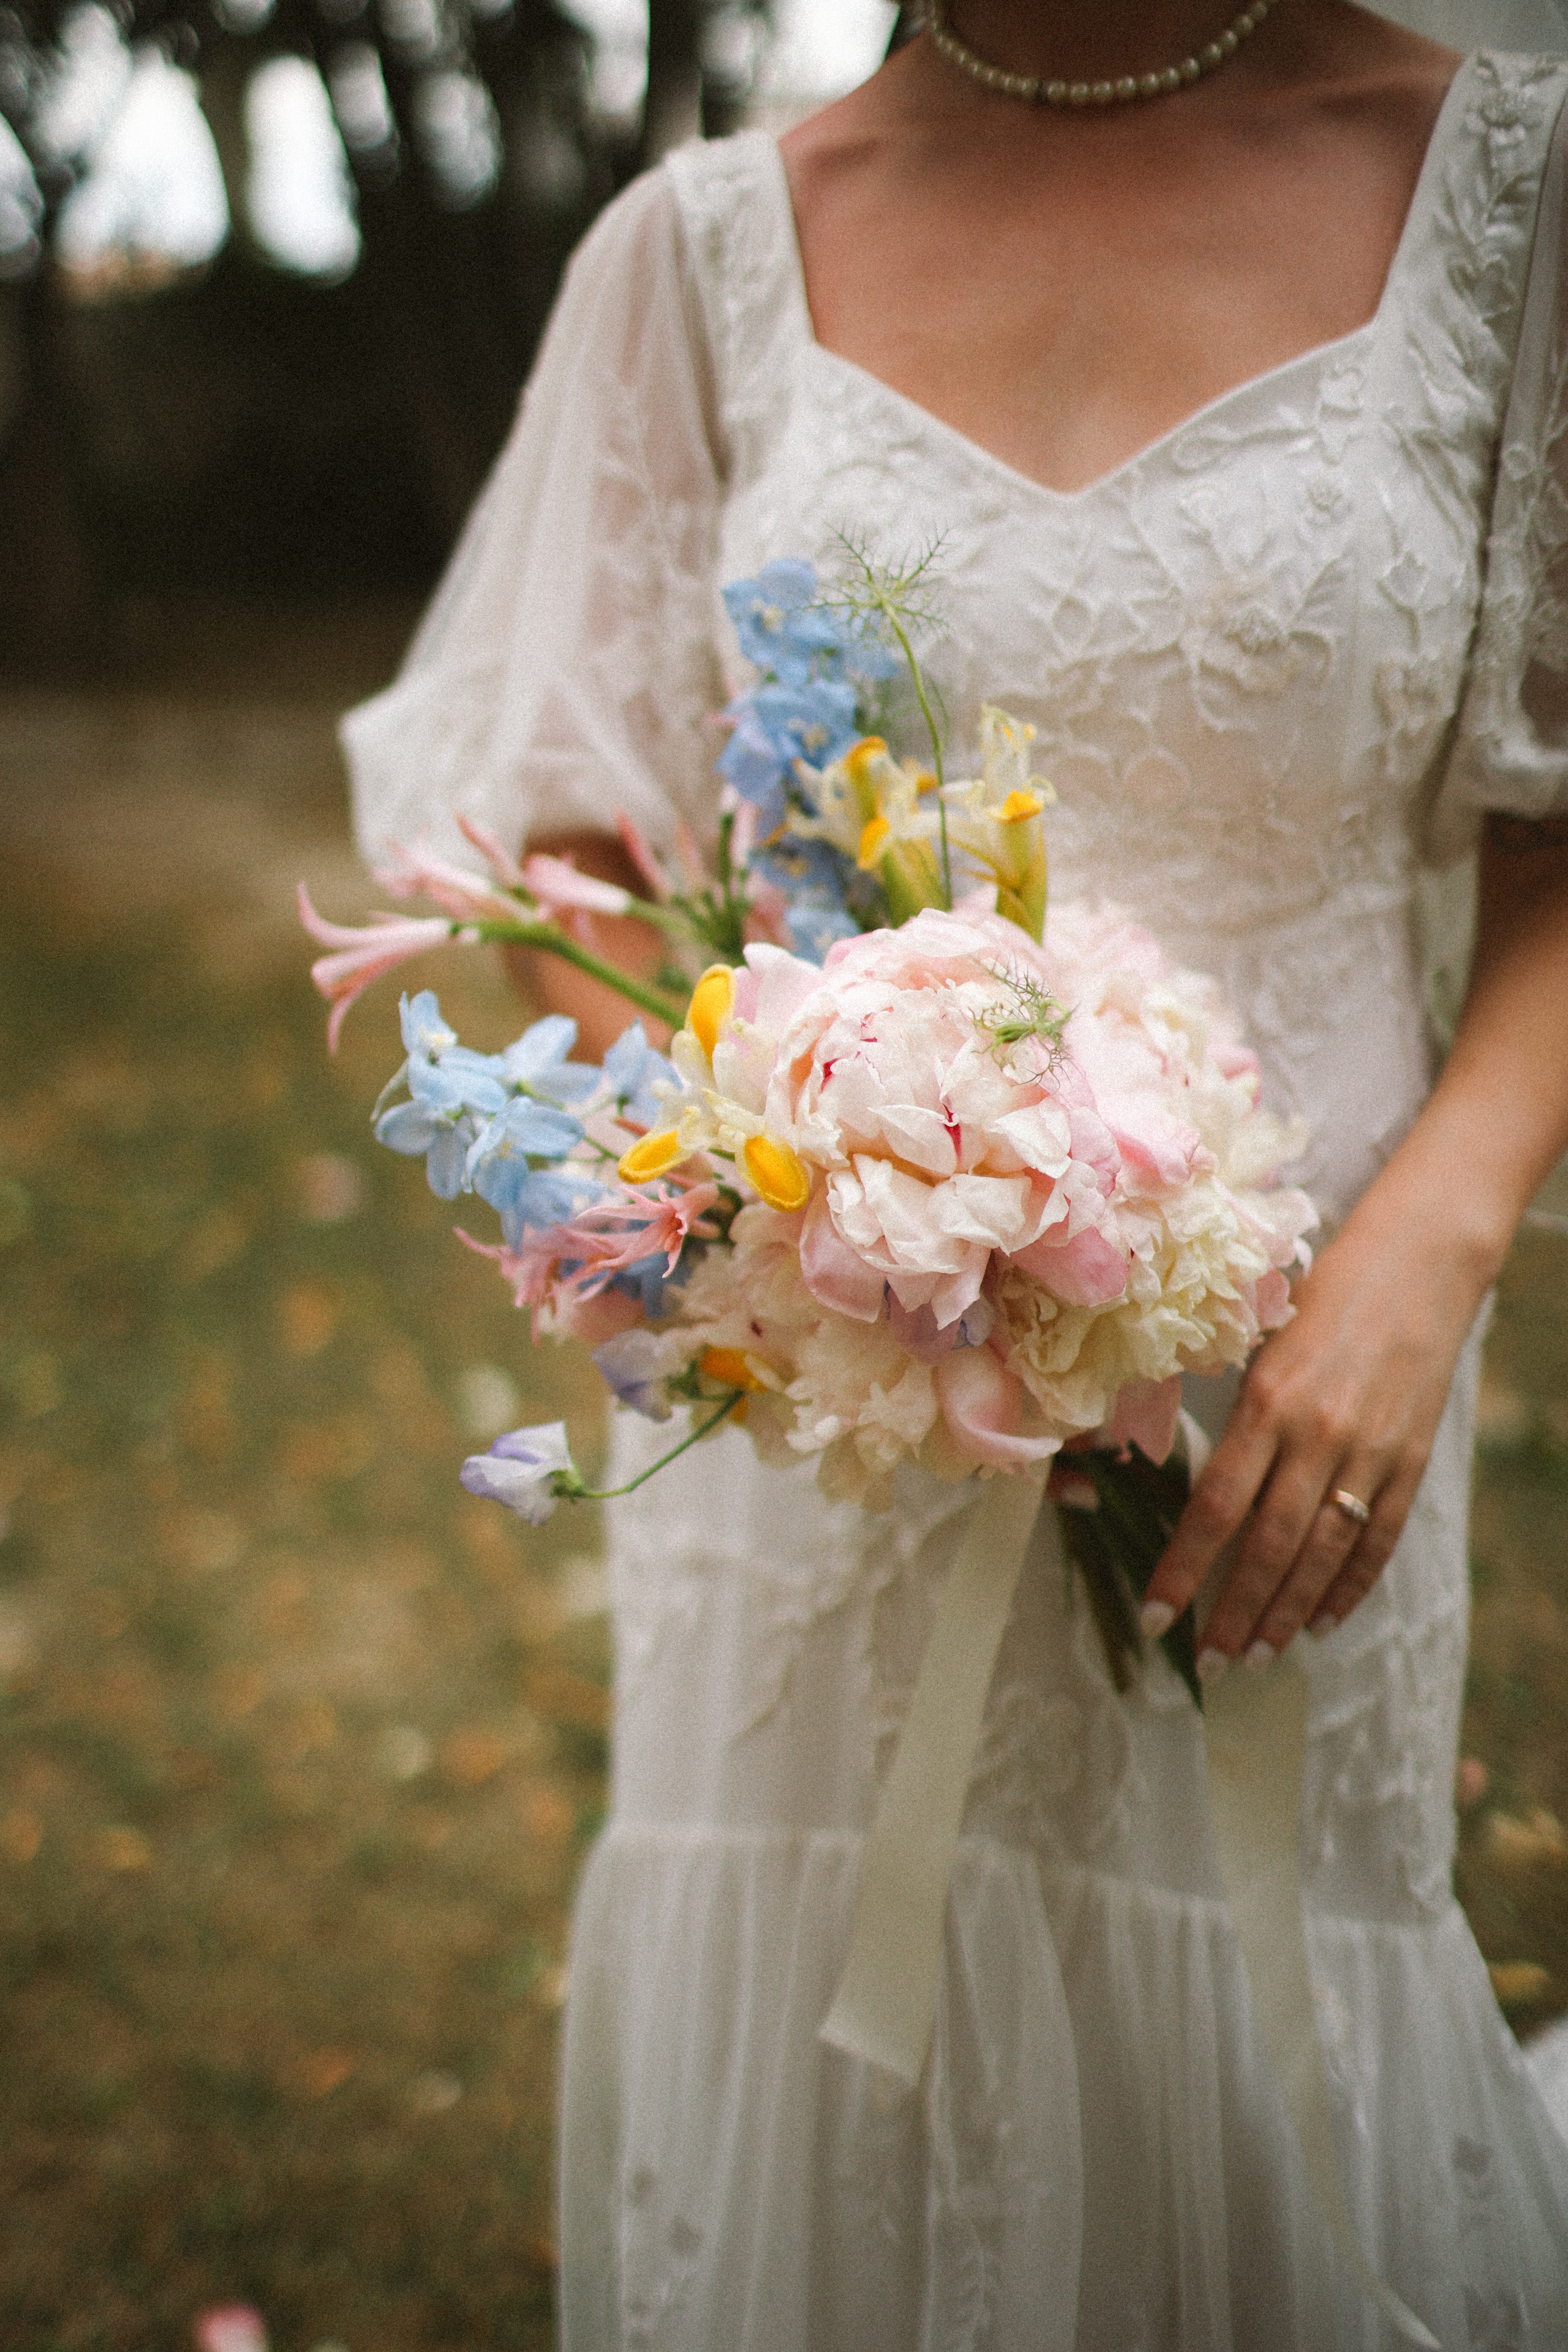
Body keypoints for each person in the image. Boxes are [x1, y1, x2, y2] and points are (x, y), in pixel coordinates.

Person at [342, 2, 1568, 2341]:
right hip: (835, 1397)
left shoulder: (1509, 197)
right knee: (833, 2038)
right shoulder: (698, 247)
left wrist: (1430, 1233)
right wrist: (806, 1158)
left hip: (1303, 1382)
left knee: (1268, 2023)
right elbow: (571, 830)